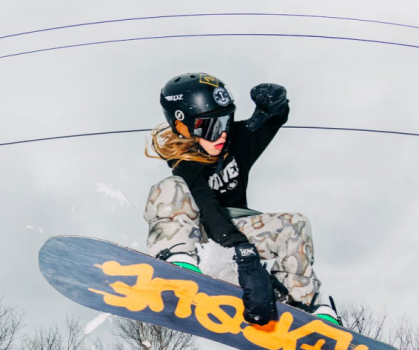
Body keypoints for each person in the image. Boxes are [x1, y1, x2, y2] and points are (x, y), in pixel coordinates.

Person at [145, 72, 338, 326]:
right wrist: (244, 254)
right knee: (170, 188)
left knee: (295, 223)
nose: (221, 134)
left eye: (225, 122)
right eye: (211, 127)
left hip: (237, 239)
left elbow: (268, 124)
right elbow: (209, 209)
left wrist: (275, 106)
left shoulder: (234, 142)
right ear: (182, 126)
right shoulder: (185, 165)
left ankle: (298, 299)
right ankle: (176, 260)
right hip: (203, 237)